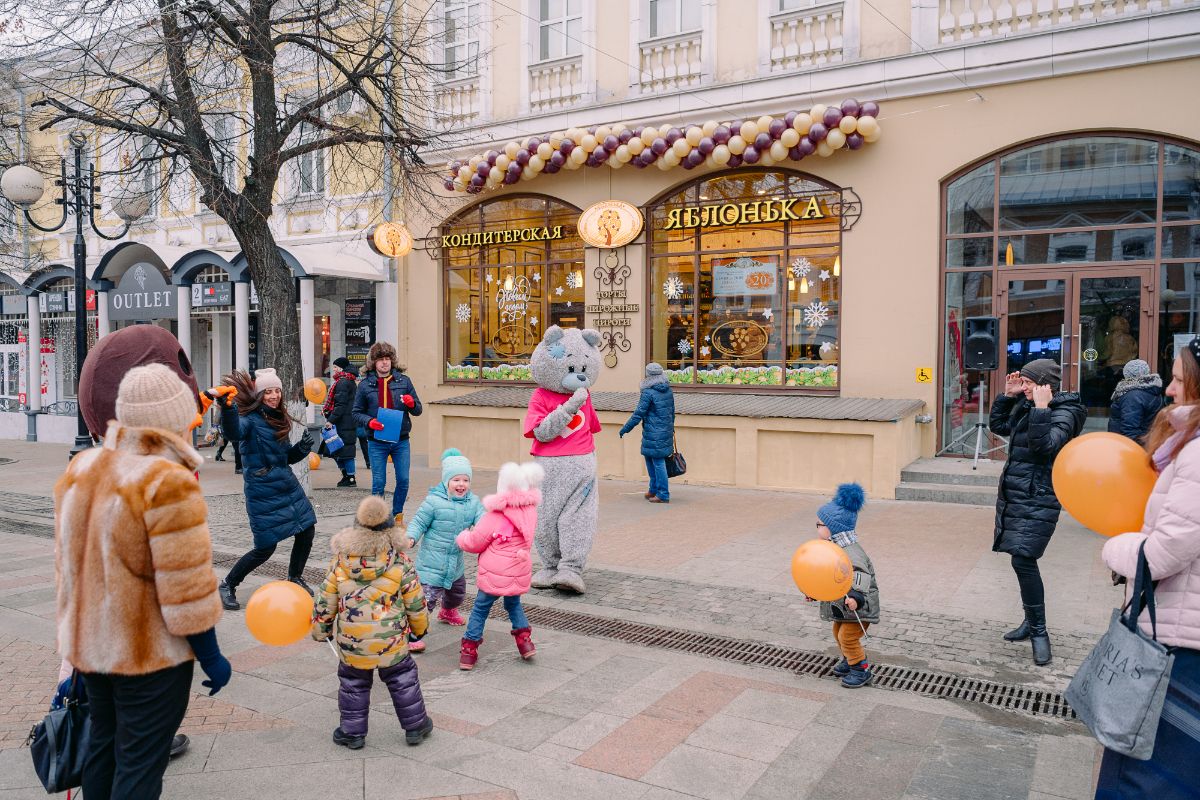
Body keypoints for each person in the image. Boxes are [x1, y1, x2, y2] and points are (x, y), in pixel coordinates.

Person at [55, 364, 229, 800]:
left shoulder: (84, 466)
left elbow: (69, 564)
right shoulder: (167, 481)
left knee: (104, 746)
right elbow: (185, 584)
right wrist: (211, 656)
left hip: (91, 646)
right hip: (149, 653)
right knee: (140, 762)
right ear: (175, 417)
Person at [1095, 337, 1200, 797]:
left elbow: (1160, 554)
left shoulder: (1197, 454)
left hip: (1180, 646)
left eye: (1179, 379)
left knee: (1143, 778)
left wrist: (1117, 546)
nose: (1171, 391)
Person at [311, 496, 434, 749]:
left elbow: (325, 601)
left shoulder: (340, 563)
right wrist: (419, 631)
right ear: (390, 531)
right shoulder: (400, 562)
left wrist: (321, 630)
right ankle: (415, 726)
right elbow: (416, 602)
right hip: (393, 640)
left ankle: (352, 733)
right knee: (402, 679)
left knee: (353, 683)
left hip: (352, 643)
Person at [989, 359, 1087, 666]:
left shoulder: (1065, 412)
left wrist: (1042, 409)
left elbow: (1046, 446)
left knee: (1024, 558)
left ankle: (1040, 632)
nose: (1025, 387)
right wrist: (1007, 396)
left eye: (1029, 383)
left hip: (1040, 496)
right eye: (1024, 382)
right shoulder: (1026, 405)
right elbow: (999, 427)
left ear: (1047, 386)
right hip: (1018, 494)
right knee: (1021, 560)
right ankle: (1030, 623)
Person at [217, 368, 318, 610]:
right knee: (265, 547)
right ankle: (228, 584)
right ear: (259, 394)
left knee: (306, 530)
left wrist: (301, 449)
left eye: (277, 391)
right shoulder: (249, 421)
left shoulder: (277, 417)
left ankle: (294, 577)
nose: (274, 396)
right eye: (268, 392)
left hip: (286, 485)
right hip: (263, 491)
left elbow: (284, 459)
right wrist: (228, 408)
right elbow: (233, 432)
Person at [455, 461, 545, 670]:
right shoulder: (529, 512)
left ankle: (469, 650)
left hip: (494, 574)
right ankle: (525, 641)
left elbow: (476, 541)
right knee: (513, 604)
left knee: (480, 608)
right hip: (517, 570)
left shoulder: (495, 516)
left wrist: (462, 537)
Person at [405, 449, 485, 644]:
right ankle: (413, 635)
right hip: (432, 564)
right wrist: (410, 538)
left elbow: (484, 521)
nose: (461, 484)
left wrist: (487, 534)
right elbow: (419, 522)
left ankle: (448, 611)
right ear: (446, 481)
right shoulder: (433, 502)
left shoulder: (473, 503)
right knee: (427, 601)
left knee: (457, 593)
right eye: (456, 480)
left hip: (455, 563)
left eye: (465, 480)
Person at [805, 483, 879, 689]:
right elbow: (828, 577)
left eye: (819, 524)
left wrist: (856, 598)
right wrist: (814, 592)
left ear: (833, 528)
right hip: (842, 607)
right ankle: (850, 659)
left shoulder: (851, 553)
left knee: (847, 637)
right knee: (838, 632)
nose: (816, 527)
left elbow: (861, 578)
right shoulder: (833, 549)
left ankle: (861, 670)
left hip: (858, 607)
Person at [353, 342, 423, 525]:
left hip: (401, 440)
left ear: (392, 361)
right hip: (376, 441)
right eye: (380, 359)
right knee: (378, 483)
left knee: (403, 479)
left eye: (387, 359)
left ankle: (398, 515)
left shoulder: (404, 381)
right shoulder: (365, 385)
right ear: (373, 363)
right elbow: (356, 412)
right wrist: (369, 421)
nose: (384, 363)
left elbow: (418, 410)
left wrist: (411, 404)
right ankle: (378, 519)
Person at [619, 362, 676, 504]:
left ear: (648, 375)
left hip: (654, 432)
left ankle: (663, 494)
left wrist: (625, 428)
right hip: (663, 430)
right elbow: (672, 412)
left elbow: (638, 414)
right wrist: (670, 426)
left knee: (657, 461)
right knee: (650, 458)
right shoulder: (668, 390)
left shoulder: (648, 392)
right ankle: (654, 489)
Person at [1107, 358, 1164, 442]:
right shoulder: (1150, 390)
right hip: (1147, 442)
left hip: (1128, 446)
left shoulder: (1133, 396)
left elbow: (1129, 431)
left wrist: (1133, 451)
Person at [323, 356, 359, 487]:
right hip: (346, 421)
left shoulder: (343, 382)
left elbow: (341, 404)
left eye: (336, 367)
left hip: (343, 422)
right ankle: (347, 476)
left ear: (342, 368)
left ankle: (350, 478)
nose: (334, 369)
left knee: (344, 451)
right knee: (337, 450)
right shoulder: (348, 381)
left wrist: (331, 420)